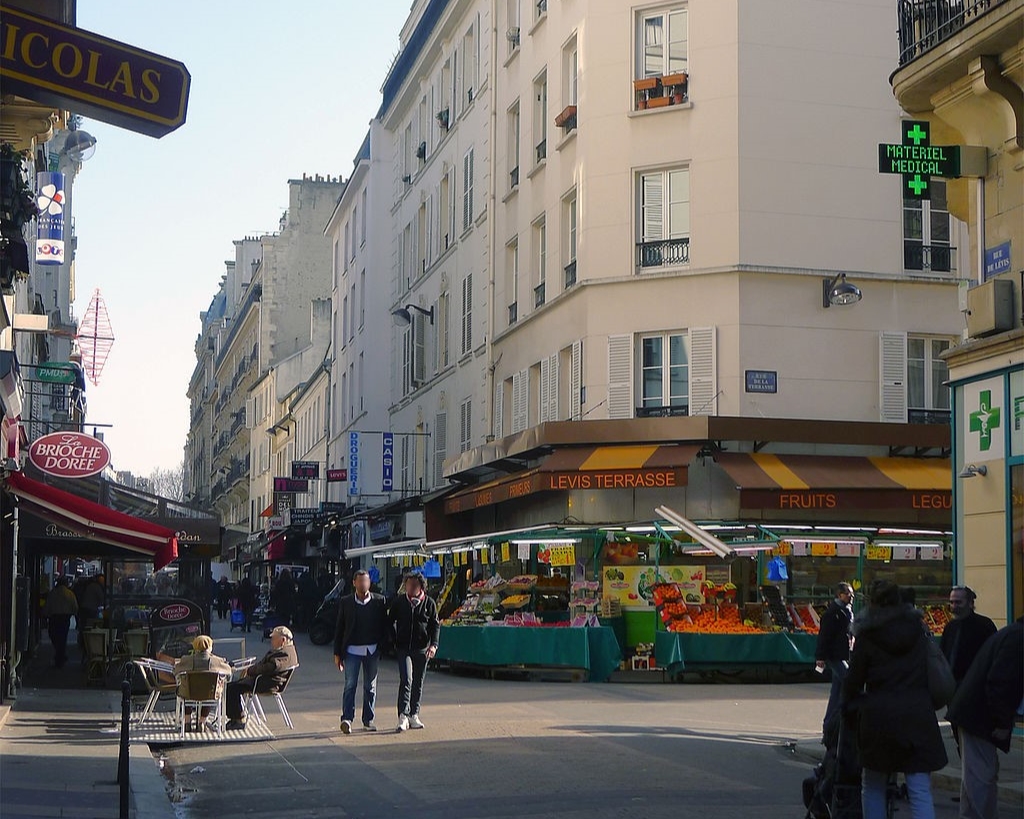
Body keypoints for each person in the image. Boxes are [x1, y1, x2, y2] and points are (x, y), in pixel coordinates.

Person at [842, 580, 947, 819]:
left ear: (872, 602)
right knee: (919, 788)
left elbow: (853, 680)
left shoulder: (868, 635)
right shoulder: (918, 631)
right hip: (917, 714)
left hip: (879, 716)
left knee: (873, 784)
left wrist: (848, 705)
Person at [946, 618, 1024, 819]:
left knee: (978, 776)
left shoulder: (1013, 634)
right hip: (979, 715)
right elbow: (1000, 682)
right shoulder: (1017, 638)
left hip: (975, 712)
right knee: (981, 777)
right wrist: (1002, 722)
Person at [333, 569, 390, 733]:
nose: (363, 584)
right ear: (354, 583)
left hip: (372, 650)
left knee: (370, 687)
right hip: (352, 651)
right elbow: (340, 628)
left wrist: (383, 646)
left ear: (369, 583)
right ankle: (347, 719)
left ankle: (368, 720)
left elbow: (384, 625)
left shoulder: (379, 601)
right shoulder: (346, 602)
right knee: (350, 685)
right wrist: (337, 653)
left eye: (366, 581)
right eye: (360, 581)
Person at [388, 572, 440, 732]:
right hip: (403, 648)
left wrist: (434, 645)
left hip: (422, 649)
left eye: (414, 585)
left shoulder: (429, 603)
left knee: (418, 682)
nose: (410, 588)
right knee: (406, 680)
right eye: (408, 585)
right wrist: (393, 641)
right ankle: (403, 715)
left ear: (421, 587)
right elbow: (389, 622)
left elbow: (435, 625)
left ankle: (414, 714)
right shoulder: (399, 602)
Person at [225, 625, 299, 730]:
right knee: (231, 686)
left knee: (231, 689)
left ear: (283, 640)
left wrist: (251, 670)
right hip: (264, 680)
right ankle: (235, 717)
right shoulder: (284, 650)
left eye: (273, 638)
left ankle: (238, 719)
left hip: (268, 683)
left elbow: (271, 667)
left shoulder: (285, 653)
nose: (271, 641)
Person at [815, 581, 854, 739]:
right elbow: (824, 636)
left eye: (851, 593)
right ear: (839, 595)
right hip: (834, 655)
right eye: (848, 593)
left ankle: (829, 726)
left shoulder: (847, 611)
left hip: (842, 654)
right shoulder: (833, 613)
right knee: (848, 681)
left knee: (836, 691)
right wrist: (820, 656)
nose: (851, 596)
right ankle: (836, 724)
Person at [940, 586, 997, 686]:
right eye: (951, 602)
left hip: (976, 683)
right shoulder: (950, 627)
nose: (954, 606)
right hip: (952, 681)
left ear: (970, 603)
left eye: (958, 602)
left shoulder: (984, 625)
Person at [173, 635, 232, 732]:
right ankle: (202, 721)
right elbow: (228, 672)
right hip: (209, 694)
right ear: (210, 647)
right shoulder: (217, 661)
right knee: (209, 688)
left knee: (186, 687)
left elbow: (175, 671)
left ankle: (187, 721)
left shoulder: (186, 660)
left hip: (189, 693)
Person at [43, 577, 78, 668]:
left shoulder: (53, 593)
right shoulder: (70, 594)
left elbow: (48, 605)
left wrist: (46, 614)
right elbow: (75, 607)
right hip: (65, 618)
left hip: (54, 618)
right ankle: (60, 655)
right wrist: (74, 613)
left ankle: (59, 655)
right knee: (63, 637)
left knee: (54, 635)